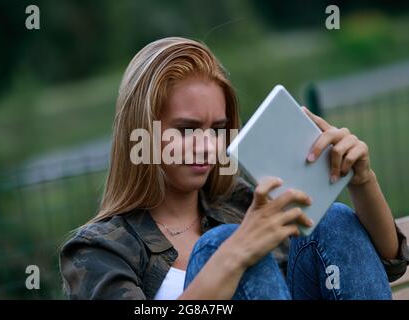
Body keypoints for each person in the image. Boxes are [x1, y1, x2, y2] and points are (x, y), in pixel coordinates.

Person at [59, 37, 409, 300]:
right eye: (186, 129)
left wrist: (362, 180)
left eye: (217, 128)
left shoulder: (243, 202)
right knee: (221, 244)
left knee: (332, 218)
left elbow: (389, 266)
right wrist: (237, 251)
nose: (207, 145)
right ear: (142, 130)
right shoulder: (100, 249)